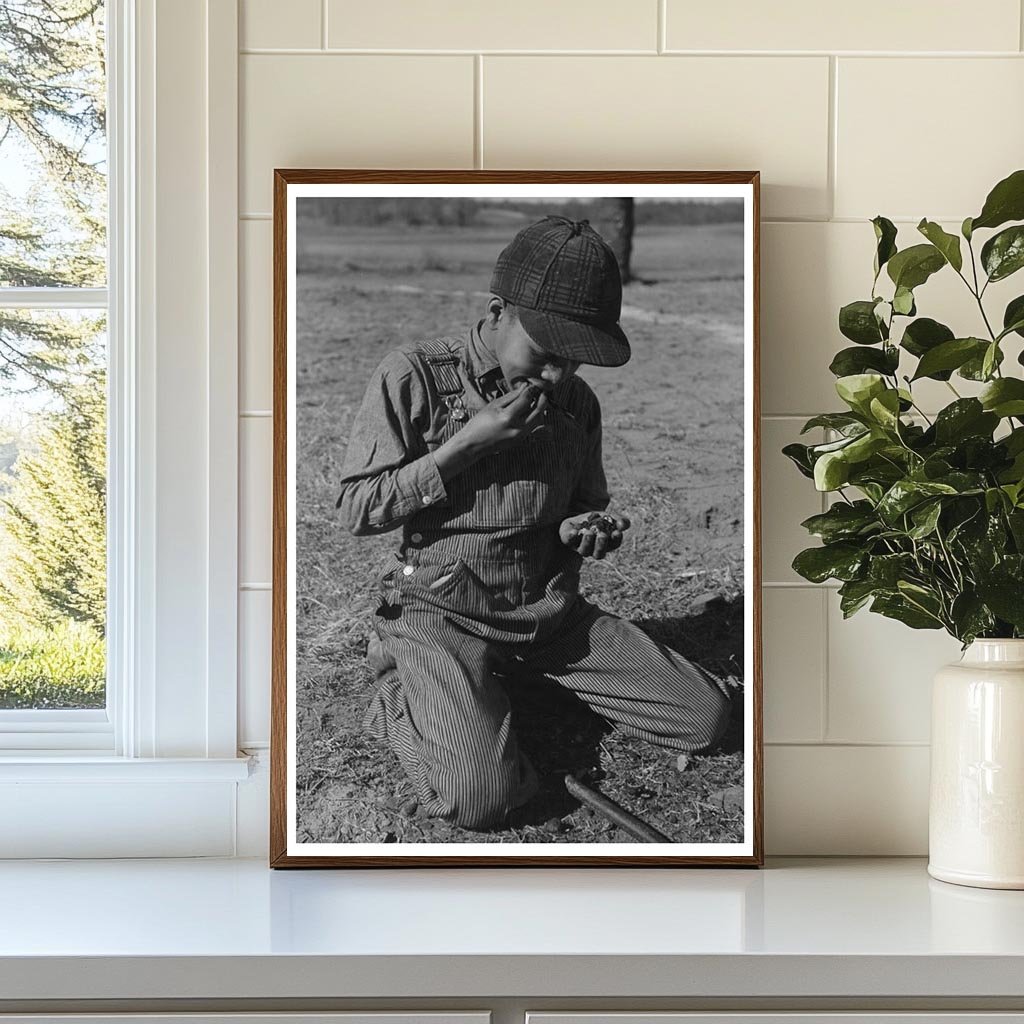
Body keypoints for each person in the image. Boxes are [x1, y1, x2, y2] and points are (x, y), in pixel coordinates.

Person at [336, 214, 731, 830]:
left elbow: (581, 506)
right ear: (497, 312)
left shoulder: (578, 404)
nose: (558, 377)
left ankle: (500, 682)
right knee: (482, 799)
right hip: (441, 610)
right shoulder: (413, 376)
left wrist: (582, 529)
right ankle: (402, 682)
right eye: (546, 356)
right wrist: (466, 445)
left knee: (708, 719)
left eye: (575, 363)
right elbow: (357, 508)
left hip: (544, 616)